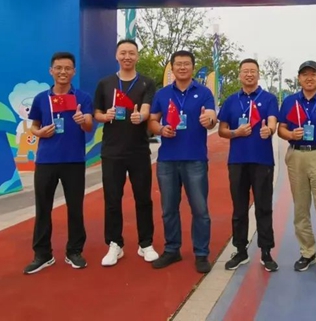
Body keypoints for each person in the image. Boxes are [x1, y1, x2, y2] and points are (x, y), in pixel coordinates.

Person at [23, 52, 94, 274]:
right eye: (59, 68)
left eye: (67, 68)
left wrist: (82, 120)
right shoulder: (41, 98)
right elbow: (34, 126)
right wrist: (40, 133)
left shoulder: (82, 97)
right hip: (46, 160)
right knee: (43, 207)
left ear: (74, 71)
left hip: (74, 160)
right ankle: (43, 254)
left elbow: (89, 126)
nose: (63, 72)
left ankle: (74, 251)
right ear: (51, 71)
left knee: (75, 208)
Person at [147, 50, 217, 273]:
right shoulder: (162, 94)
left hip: (195, 159)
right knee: (168, 208)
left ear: (192, 67)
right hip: (167, 160)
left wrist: (208, 120)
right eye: (178, 64)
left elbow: (212, 117)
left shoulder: (204, 92)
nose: (182, 67)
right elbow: (152, 120)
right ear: (172, 67)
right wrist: (160, 129)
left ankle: (201, 254)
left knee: (200, 209)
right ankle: (172, 249)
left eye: (187, 64)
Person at [94, 39, 158, 267]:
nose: (127, 57)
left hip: (139, 150)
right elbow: (97, 112)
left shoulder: (147, 82)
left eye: (131, 53)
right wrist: (106, 116)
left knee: (143, 199)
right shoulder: (105, 83)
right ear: (116, 56)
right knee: (112, 199)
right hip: (112, 151)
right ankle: (115, 244)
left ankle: (145, 243)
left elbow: (147, 109)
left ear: (137, 56)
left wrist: (141, 116)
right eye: (123, 53)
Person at [277, 60, 316, 278]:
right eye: (304, 74)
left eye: (313, 74)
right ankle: (307, 252)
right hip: (296, 156)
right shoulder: (290, 101)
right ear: (299, 78)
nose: (309, 78)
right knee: (300, 208)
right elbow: (281, 129)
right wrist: (290, 134)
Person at [218, 58, 280, 272]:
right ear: (239, 75)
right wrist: (236, 132)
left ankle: (266, 251)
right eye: (245, 71)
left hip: (262, 161)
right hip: (237, 161)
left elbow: (272, 123)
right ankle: (240, 250)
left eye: (253, 71)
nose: (249, 74)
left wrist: (268, 130)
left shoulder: (269, 98)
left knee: (263, 207)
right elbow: (222, 130)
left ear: (258, 74)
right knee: (239, 208)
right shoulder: (231, 101)